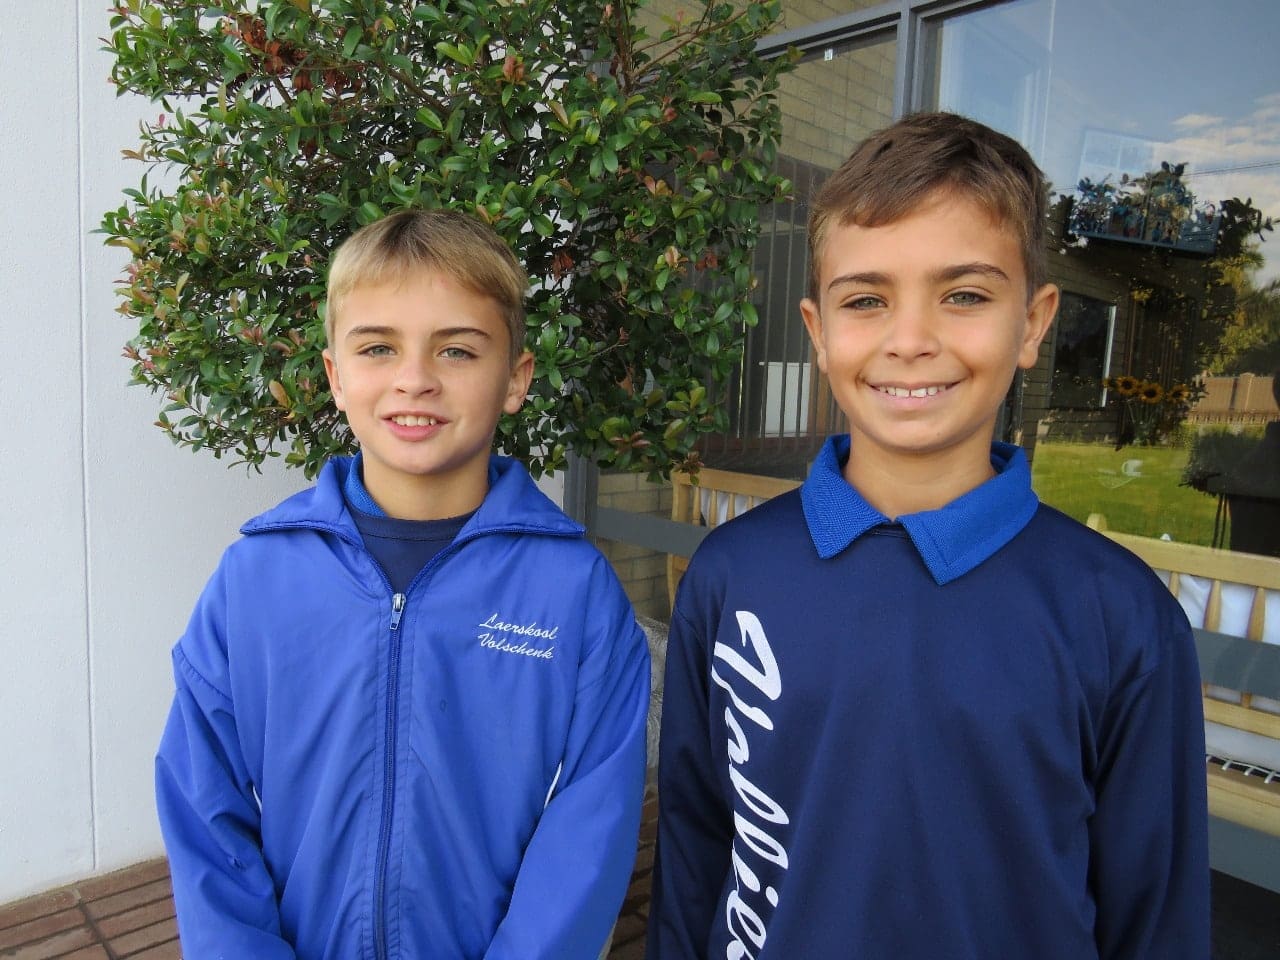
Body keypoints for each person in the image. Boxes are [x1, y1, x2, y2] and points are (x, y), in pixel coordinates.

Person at [646, 112, 1208, 959]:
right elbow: (694, 854)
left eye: (965, 296)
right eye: (866, 300)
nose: (910, 341)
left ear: (1032, 323)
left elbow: (1157, 921)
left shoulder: (1120, 615)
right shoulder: (732, 576)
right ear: (819, 332)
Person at [156, 209, 650, 959]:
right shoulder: (254, 580)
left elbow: (591, 832)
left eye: (457, 350)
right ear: (336, 377)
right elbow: (203, 810)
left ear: (515, 379)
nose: (415, 379)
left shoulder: (575, 593)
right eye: (378, 347)